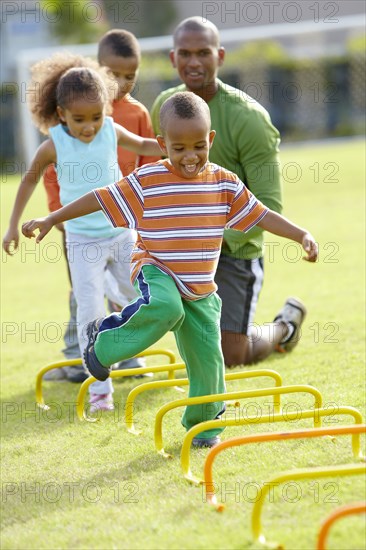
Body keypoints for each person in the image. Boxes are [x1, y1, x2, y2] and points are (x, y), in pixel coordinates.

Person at [22, 92, 318, 446]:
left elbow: (261, 214)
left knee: (209, 361)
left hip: (201, 289)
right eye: (178, 149)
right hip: (155, 269)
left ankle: (204, 428)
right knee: (166, 307)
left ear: (210, 140)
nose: (190, 156)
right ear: (163, 145)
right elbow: (100, 198)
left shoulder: (224, 183)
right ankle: (102, 345)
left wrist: (300, 235)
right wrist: (53, 217)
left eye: (198, 146)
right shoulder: (148, 179)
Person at [2, 53, 161, 412]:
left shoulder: (110, 130)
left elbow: (144, 146)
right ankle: (100, 391)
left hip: (121, 232)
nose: (89, 127)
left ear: (106, 108)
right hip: (82, 240)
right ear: (60, 114)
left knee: (135, 294)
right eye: (79, 120)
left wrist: (177, 148)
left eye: (96, 116)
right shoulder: (54, 145)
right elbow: (28, 181)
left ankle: (124, 339)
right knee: (89, 310)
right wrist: (12, 225)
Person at [151, 17, 305, 367]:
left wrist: (209, 231)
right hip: (182, 247)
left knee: (231, 357)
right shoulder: (163, 106)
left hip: (236, 251)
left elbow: (269, 203)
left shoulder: (249, 118)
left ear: (219, 56)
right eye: (185, 53)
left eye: (203, 52)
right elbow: (158, 176)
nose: (194, 62)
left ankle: (284, 326)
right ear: (172, 59)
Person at [42, 29, 161, 381]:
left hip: (121, 221)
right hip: (77, 221)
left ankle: (124, 354)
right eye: (113, 74)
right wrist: (56, 212)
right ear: (98, 70)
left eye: (130, 75)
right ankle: (75, 357)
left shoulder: (135, 114)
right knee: (84, 292)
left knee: (128, 286)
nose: (122, 82)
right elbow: (53, 169)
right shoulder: (77, 109)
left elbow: (146, 157)